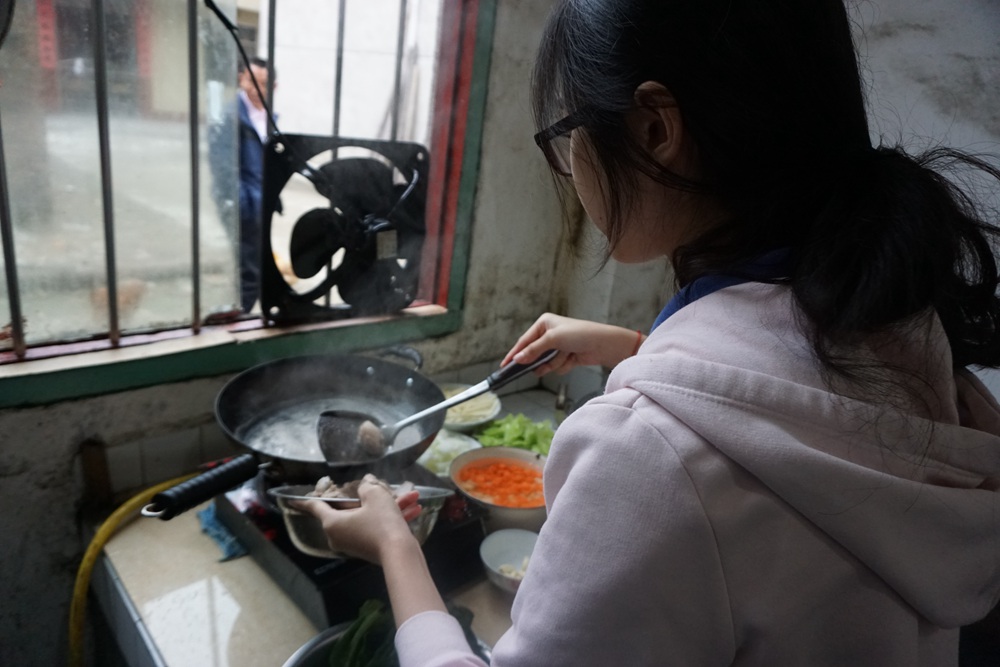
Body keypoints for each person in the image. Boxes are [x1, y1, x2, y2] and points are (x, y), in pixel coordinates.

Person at [297, 1, 1000, 665]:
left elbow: (706, 464)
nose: (571, 165)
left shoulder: (645, 456)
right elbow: (797, 416)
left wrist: (394, 544)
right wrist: (637, 349)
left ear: (655, 130)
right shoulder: (909, 326)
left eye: (567, 136)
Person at [210, 56, 276, 313]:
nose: (256, 89)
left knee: (255, 264)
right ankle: (241, 318)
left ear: (274, 86)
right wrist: (244, 206)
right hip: (242, 205)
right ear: (241, 79)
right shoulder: (229, 116)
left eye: (264, 83)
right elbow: (223, 167)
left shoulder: (268, 115)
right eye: (251, 81)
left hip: (260, 202)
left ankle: (241, 312)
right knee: (250, 269)